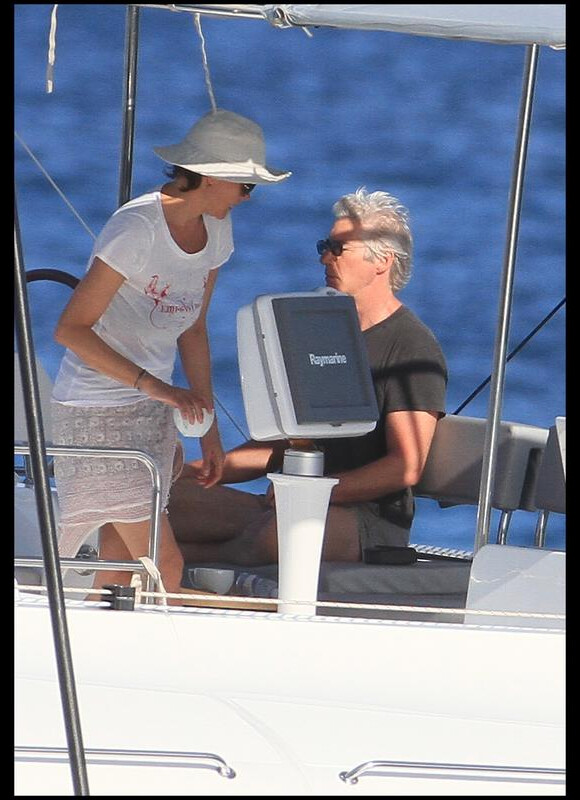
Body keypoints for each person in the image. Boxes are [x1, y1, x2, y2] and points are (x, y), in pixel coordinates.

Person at [50, 108, 291, 601]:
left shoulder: (216, 232)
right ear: (213, 177)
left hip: (151, 412)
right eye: (246, 187)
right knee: (162, 567)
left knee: (119, 574)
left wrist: (209, 434)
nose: (247, 199)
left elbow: (194, 331)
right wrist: (160, 388)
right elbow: (71, 329)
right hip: (96, 413)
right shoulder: (136, 229)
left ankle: (103, 665)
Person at [167, 187, 447, 566]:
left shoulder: (411, 346)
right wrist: (196, 471)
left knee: (275, 539)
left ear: (382, 261)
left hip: (364, 519)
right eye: (323, 246)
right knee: (167, 499)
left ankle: (173, 574)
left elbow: (406, 465)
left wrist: (316, 493)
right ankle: (163, 567)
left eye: (338, 248)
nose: (324, 258)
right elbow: (285, 448)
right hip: (300, 498)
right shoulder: (328, 332)